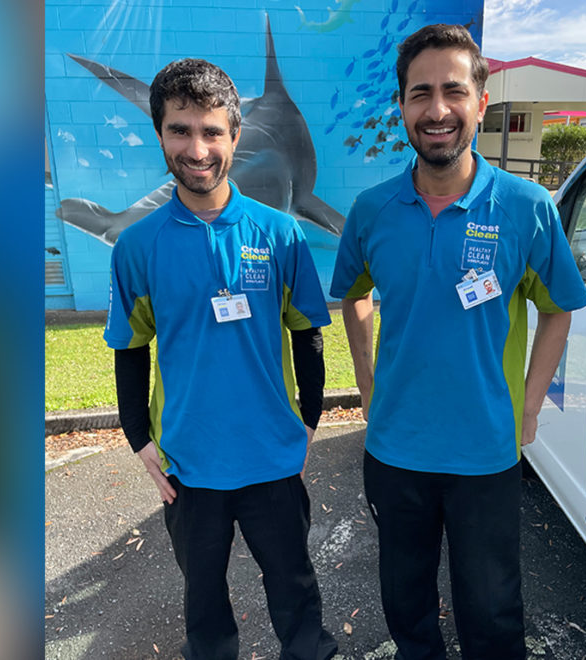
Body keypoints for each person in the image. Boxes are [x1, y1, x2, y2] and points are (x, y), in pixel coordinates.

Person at [330, 25, 586, 660]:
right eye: (421, 93)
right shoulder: (371, 211)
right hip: (396, 450)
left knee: (491, 605)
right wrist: (368, 384)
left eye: (454, 91)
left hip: (486, 453)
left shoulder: (526, 207)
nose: (437, 110)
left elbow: (558, 309)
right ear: (401, 107)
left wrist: (528, 409)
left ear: (480, 101)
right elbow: (353, 294)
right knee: (404, 596)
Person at [104, 58, 338, 660]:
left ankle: (307, 651)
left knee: (293, 584)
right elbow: (129, 350)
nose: (197, 147)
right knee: (202, 595)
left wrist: (307, 423)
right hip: (189, 464)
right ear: (160, 133)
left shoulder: (279, 234)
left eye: (212, 131)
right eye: (180, 130)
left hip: (270, 458)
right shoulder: (137, 245)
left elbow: (308, 334)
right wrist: (139, 439)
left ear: (236, 134)